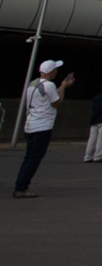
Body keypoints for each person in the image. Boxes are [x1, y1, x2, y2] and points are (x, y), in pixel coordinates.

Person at [13, 59, 74, 198]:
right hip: (42, 127)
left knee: (29, 157)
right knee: (34, 159)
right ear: (50, 71)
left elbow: (49, 97)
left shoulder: (33, 84)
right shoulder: (49, 85)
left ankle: (21, 184)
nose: (57, 71)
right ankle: (21, 187)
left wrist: (62, 85)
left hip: (30, 125)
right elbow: (56, 103)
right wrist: (64, 87)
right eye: (55, 69)